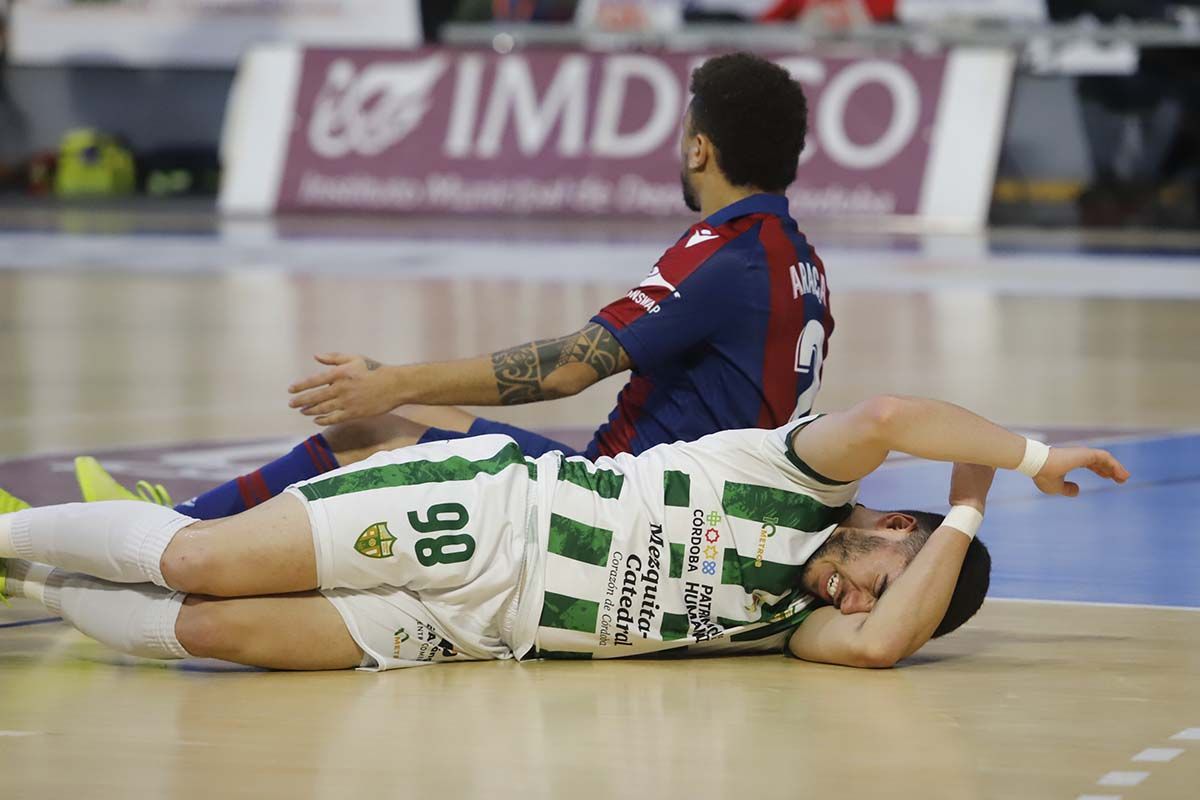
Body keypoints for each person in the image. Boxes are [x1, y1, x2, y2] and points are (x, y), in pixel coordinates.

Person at [71, 51, 831, 522]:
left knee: (370, 427)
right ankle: (184, 526)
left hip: (623, 503)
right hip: (704, 501)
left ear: (700, 148)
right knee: (418, 417)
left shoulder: (721, 251)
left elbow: (570, 366)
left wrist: (390, 382)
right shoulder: (798, 259)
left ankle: (166, 531)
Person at [0, 395, 1129, 671]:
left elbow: (884, 648)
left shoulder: (798, 623)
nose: (861, 606)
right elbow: (890, 418)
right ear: (887, 518)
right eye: (885, 575)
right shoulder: (797, 476)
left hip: (481, 627)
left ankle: (41, 583)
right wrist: (1024, 459)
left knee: (217, 629)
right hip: (483, 512)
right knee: (195, 553)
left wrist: (970, 509)